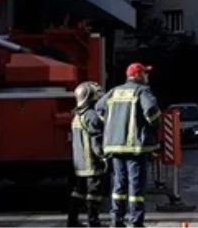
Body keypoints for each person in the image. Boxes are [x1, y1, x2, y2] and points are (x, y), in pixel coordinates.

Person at [95, 62, 161, 228]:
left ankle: (116, 220)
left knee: (119, 185)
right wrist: (154, 127)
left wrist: (112, 125)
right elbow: (152, 112)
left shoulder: (114, 91)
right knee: (136, 187)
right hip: (135, 148)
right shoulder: (142, 91)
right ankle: (135, 221)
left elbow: (98, 108)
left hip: (115, 147)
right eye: (145, 73)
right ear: (138, 75)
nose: (147, 76)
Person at [68, 81, 107, 228]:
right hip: (92, 163)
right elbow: (96, 141)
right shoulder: (91, 115)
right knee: (94, 194)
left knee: (78, 192)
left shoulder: (77, 116)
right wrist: (103, 157)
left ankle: (72, 221)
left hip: (80, 164)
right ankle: (93, 222)